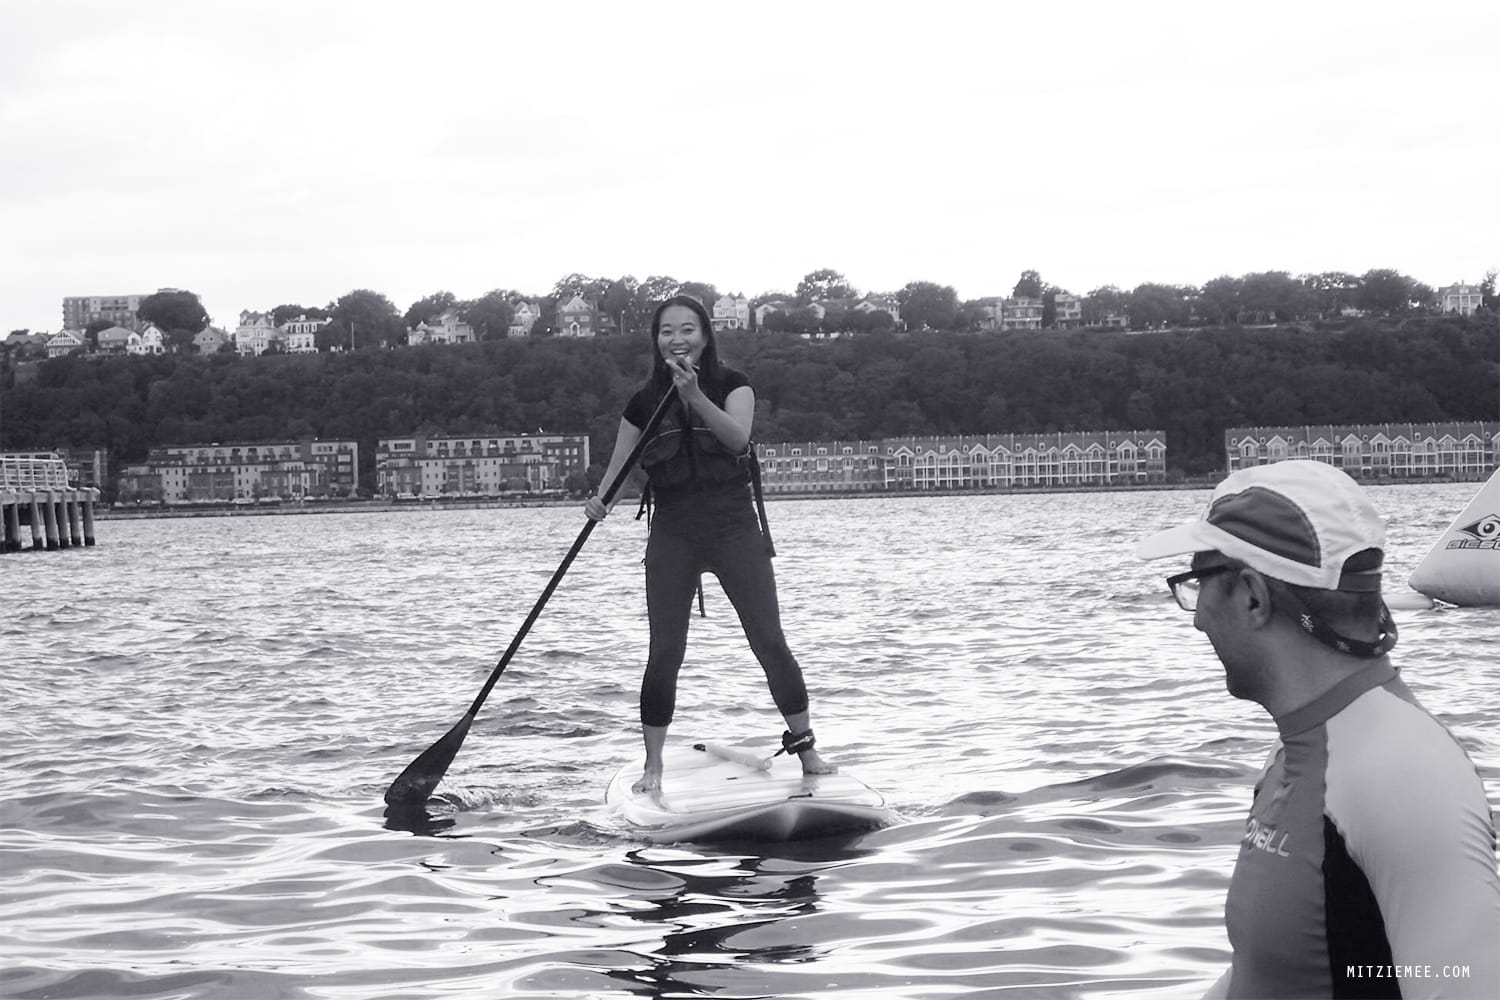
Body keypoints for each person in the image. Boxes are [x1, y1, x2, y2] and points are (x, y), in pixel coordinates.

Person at [1137, 459, 1499, 999]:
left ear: (1252, 596)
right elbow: (1276, 964)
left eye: (1197, 583)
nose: (1197, 618)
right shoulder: (1310, 745)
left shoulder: (1401, 774)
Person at [584, 294, 836, 794]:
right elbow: (618, 469)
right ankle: (652, 766)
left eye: (688, 330)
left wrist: (695, 396)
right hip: (673, 533)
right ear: (655, 340)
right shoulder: (641, 403)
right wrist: (601, 502)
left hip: (734, 529)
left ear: (706, 334)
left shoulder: (733, 385)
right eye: (666, 332)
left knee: (769, 641)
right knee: (665, 652)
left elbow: (738, 439)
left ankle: (808, 752)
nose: (677, 340)